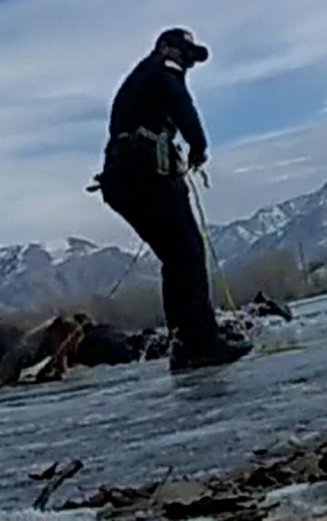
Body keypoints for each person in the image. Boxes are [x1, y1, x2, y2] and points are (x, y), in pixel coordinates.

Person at [90, 27, 253, 372]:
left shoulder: (139, 80)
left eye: (189, 59)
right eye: (183, 54)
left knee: (177, 258)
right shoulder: (162, 70)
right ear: (164, 48)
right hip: (144, 177)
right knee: (188, 253)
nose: (186, 64)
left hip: (122, 181)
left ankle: (186, 342)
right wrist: (199, 146)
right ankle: (201, 343)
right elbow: (183, 106)